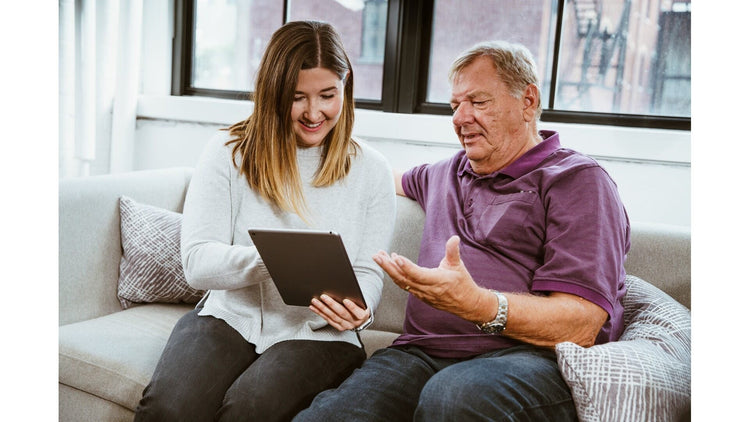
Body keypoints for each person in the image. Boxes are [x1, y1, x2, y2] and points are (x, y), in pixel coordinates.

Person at [294, 40, 630, 421]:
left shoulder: (577, 181)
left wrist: (479, 304)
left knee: (453, 396)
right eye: (455, 106)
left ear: (528, 100)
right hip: (419, 354)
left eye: (478, 102)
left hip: (529, 358)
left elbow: (583, 324)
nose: (459, 118)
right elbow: (373, 175)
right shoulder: (444, 173)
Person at [134, 21, 396, 422]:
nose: (314, 112)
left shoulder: (372, 171)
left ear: (346, 87)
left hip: (321, 334)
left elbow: (367, 273)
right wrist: (270, 259)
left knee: (251, 409)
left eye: (328, 95)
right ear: (273, 95)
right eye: (297, 98)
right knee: (170, 409)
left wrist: (362, 309)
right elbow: (197, 263)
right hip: (229, 316)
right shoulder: (229, 152)